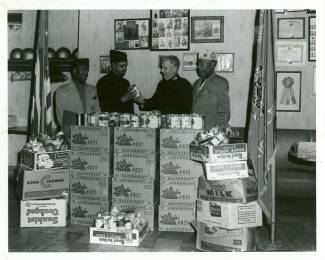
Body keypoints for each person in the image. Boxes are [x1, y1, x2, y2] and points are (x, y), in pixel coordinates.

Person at [54, 58, 100, 137]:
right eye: (83, 69)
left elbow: (97, 112)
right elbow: (61, 118)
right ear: (75, 71)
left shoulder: (93, 89)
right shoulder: (61, 91)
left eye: (87, 69)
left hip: (92, 134)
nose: (86, 72)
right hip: (70, 135)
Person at [192, 51, 230, 131]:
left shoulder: (220, 82)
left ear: (212, 65)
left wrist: (217, 132)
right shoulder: (196, 83)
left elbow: (224, 112)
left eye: (201, 64)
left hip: (210, 132)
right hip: (195, 130)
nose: (198, 67)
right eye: (198, 64)